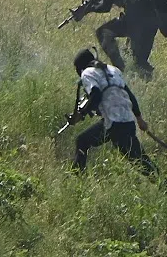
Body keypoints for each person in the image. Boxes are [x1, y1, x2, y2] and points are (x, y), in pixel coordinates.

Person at [67, 48, 158, 176]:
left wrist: (80, 115)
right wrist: (139, 119)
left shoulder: (87, 73)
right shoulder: (113, 70)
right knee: (82, 140)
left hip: (115, 126)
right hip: (125, 121)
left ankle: (166, 189)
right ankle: (76, 177)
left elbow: (96, 95)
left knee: (140, 163)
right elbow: (129, 95)